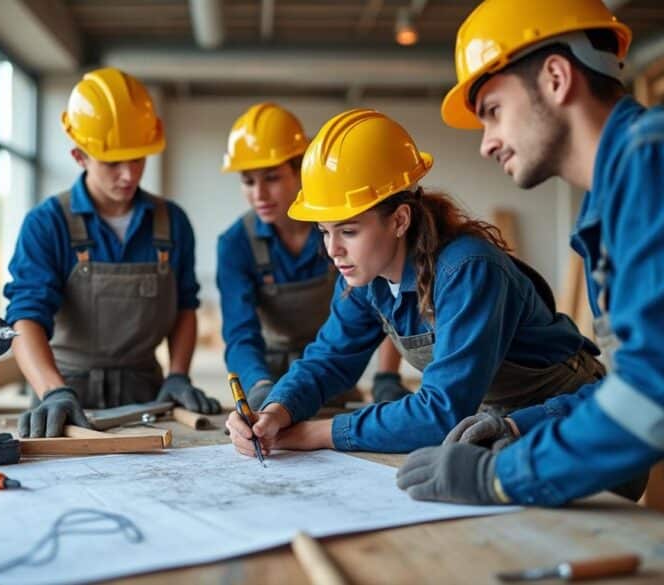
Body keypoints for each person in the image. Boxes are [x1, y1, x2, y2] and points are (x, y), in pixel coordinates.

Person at [398, 0, 664, 546]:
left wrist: (499, 477)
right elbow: (635, 380)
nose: (486, 141)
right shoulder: (616, 194)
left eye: (493, 110)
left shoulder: (655, 163)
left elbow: (661, 399)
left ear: (556, 76)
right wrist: (521, 426)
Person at [226, 108, 603, 457]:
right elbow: (327, 361)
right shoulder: (366, 280)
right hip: (490, 420)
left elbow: (440, 412)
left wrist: (313, 434)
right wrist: (276, 410)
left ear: (400, 220)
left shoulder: (468, 271)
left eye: (349, 231)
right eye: (324, 232)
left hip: (571, 424)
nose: (333, 249)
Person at [6, 68, 220, 438]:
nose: (129, 175)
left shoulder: (172, 223)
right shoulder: (47, 223)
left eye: (138, 159)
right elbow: (25, 319)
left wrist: (178, 374)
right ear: (79, 156)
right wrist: (52, 391)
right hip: (66, 394)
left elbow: (186, 307)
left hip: (147, 395)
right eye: (113, 163)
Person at [217, 102, 407, 409]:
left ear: (300, 169)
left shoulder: (340, 230)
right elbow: (240, 333)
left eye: (272, 178)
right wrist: (260, 387)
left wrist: (386, 376)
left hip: (337, 371)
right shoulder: (236, 244)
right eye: (248, 181)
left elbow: (384, 299)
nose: (260, 194)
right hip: (268, 380)